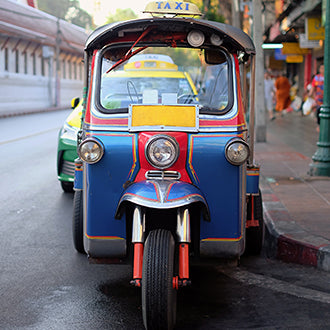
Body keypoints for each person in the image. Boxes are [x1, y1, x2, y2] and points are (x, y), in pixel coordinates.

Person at [309, 63, 324, 128]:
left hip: (326, 99)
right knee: (319, 112)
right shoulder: (316, 78)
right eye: (322, 68)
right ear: (319, 69)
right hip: (318, 99)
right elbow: (313, 87)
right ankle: (319, 126)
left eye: (324, 68)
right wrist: (310, 94)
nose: (323, 70)